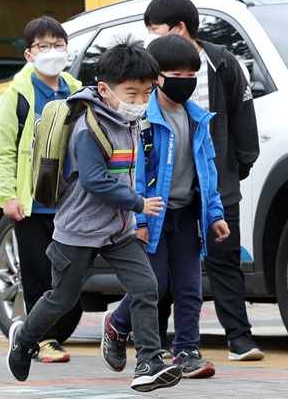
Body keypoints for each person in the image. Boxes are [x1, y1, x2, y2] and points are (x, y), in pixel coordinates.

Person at [5, 38, 182, 393]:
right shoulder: (89, 128)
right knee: (63, 298)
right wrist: (137, 202)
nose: (140, 102)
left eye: (146, 93)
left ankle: (148, 362)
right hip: (78, 230)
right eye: (132, 93)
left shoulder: (129, 121)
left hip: (118, 230)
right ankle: (24, 338)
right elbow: (95, 181)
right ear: (104, 89)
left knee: (148, 287)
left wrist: (133, 213)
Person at [103, 34, 230, 380]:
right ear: (157, 76)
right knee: (153, 285)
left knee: (190, 287)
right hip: (153, 215)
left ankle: (187, 349)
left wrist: (215, 214)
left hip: (188, 215)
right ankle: (116, 325)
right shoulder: (143, 120)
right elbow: (136, 174)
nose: (184, 82)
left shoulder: (198, 119)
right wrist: (140, 217)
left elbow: (207, 170)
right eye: (177, 74)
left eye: (191, 75)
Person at [144, 0, 263, 361]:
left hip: (215, 182)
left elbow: (244, 119)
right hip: (163, 189)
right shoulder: (152, 67)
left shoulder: (222, 62)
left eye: (156, 30)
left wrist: (235, 170)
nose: (151, 38)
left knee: (224, 258)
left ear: (180, 28)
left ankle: (239, 338)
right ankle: (158, 340)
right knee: (161, 271)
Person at [0, 16, 82, 363]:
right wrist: (9, 195)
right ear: (29, 54)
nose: (53, 51)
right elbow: (3, 150)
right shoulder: (16, 95)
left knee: (68, 273)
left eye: (59, 44)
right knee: (34, 271)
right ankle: (42, 339)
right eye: (44, 46)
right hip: (31, 204)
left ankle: (48, 335)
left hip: (69, 201)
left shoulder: (76, 91)